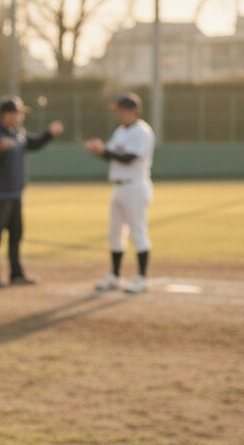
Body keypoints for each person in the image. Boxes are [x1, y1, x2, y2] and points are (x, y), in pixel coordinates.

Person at [0, 96, 64, 288]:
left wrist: (49, 133)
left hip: (16, 192)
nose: (20, 117)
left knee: (16, 234)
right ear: (6, 114)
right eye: (17, 113)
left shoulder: (18, 133)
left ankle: (16, 273)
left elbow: (34, 144)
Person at [85, 93, 156, 294]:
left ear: (131, 111)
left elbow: (129, 158)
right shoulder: (120, 130)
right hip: (118, 186)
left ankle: (141, 278)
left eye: (120, 110)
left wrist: (105, 152)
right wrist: (100, 150)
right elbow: (112, 154)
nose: (118, 113)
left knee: (138, 231)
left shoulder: (142, 131)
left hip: (135, 186)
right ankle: (115, 276)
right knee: (115, 233)